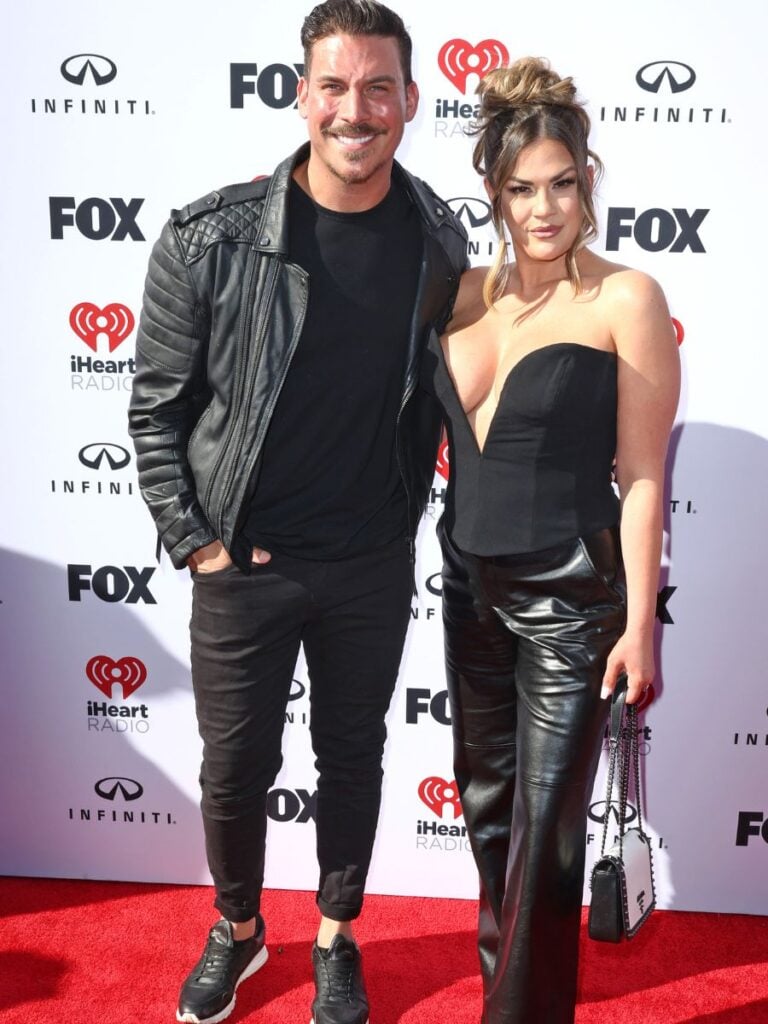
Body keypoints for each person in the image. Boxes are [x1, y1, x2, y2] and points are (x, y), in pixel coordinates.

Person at [127, 2, 467, 1022]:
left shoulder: (439, 239)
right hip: (247, 563)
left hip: (368, 561)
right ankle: (235, 928)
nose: (354, 110)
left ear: (410, 101)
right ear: (300, 93)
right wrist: (200, 546)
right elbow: (156, 408)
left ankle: (335, 933)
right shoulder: (211, 236)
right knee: (235, 765)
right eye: (334, 85)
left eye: (377, 88)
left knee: (353, 754)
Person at [428, 58, 680, 1024]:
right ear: (493, 192)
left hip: (572, 604)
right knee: (492, 822)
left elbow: (645, 473)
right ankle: (513, 998)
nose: (545, 209)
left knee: (544, 839)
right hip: (468, 593)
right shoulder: (457, 298)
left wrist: (641, 623)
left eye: (563, 184)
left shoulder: (628, 300)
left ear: (589, 180)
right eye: (522, 188)